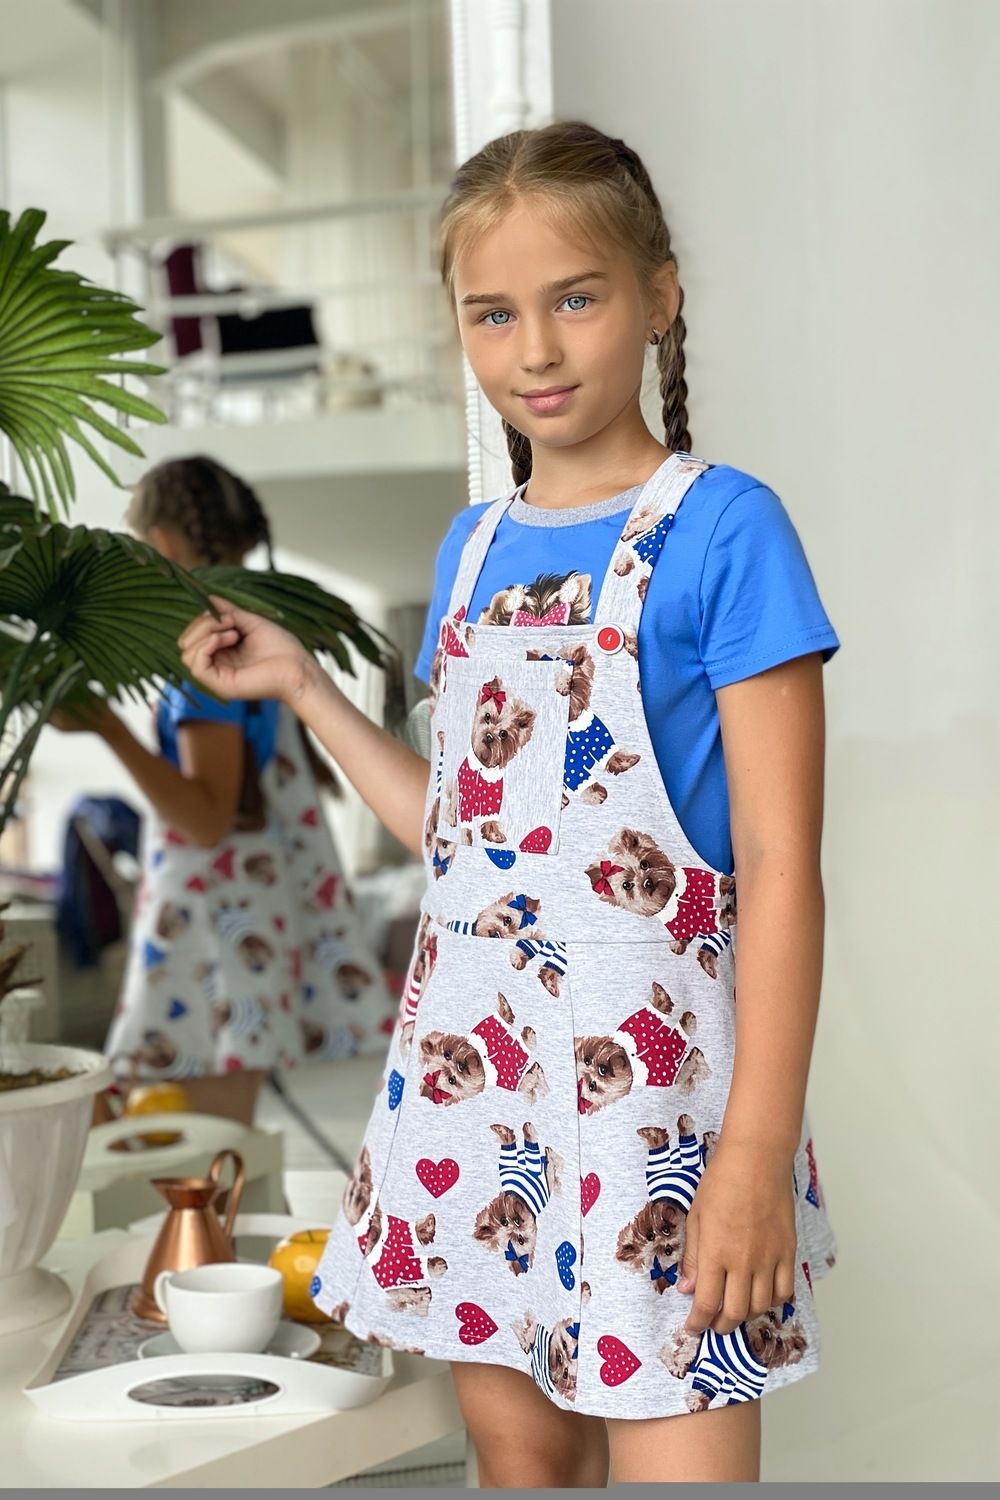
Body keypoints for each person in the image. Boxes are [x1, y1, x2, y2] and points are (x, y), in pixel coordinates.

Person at [179, 123, 839, 1484]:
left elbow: (781, 865)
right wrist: (304, 688)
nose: (534, 349)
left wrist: (756, 1151)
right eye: (493, 314)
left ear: (658, 297)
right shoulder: (471, 547)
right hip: (474, 1101)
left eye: (574, 298)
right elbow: (468, 846)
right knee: (518, 1466)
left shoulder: (726, 530)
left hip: (657, 1122)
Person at [54, 456, 394, 1119]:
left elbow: (206, 819)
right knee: (217, 1139)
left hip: (208, 934)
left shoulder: (205, 661)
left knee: (191, 1141)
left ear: (162, 544)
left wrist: (106, 727)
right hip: (250, 924)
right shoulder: (260, 641)